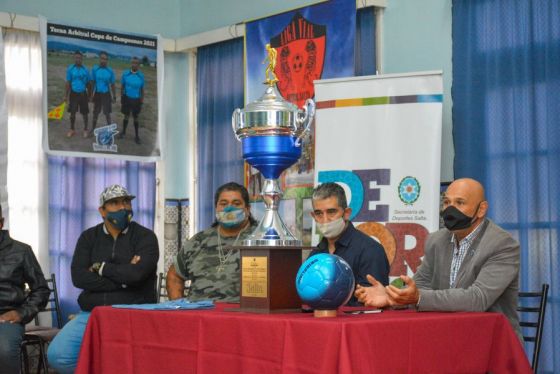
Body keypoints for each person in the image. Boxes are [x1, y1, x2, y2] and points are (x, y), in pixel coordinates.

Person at [355, 178, 522, 338]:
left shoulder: (502, 245)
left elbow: (477, 299)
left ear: (481, 209)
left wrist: (419, 298)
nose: (450, 209)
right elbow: (420, 284)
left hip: (491, 342)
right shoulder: (436, 240)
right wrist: (391, 296)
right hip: (445, 336)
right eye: (447, 202)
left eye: (460, 203)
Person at [48, 184, 159, 373]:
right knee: (59, 356)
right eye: (114, 203)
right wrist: (125, 278)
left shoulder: (146, 237)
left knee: (129, 362)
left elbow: (138, 275)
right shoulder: (88, 237)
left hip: (133, 312)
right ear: (102, 210)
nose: (123, 208)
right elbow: (79, 277)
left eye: (126, 202)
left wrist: (101, 268)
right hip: (94, 312)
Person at [166, 182, 257, 302]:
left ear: (247, 209)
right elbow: (174, 275)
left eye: (236, 203)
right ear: (216, 208)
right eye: (223, 204)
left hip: (241, 316)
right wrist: (178, 307)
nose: (229, 208)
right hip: (199, 316)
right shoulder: (199, 241)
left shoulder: (262, 238)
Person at [309, 182, 390, 306]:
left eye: (331, 212)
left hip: (357, 324)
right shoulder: (315, 255)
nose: (325, 220)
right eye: (319, 214)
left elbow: (372, 306)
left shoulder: (370, 250)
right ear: (313, 216)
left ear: (346, 213)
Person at [0, 203, 50, 374]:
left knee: (4, 350)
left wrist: (21, 313)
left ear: (1, 223)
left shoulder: (21, 251)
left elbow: (41, 290)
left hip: (6, 319)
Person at [65, 50, 91, 138]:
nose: (78, 59)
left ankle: (85, 129)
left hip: (83, 94)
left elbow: (88, 84)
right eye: (76, 58)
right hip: (73, 94)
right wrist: (66, 96)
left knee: (85, 113)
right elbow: (68, 82)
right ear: (74, 58)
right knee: (72, 113)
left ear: (82, 59)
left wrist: (90, 96)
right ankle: (72, 129)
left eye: (80, 58)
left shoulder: (86, 70)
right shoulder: (70, 69)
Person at [90, 51, 116, 135]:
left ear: (107, 60)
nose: (103, 61)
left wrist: (114, 96)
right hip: (97, 94)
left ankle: (110, 131)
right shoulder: (95, 69)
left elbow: (112, 84)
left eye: (105, 59)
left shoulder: (110, 71)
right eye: (102, 58)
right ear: (99, 58)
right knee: (95, 113)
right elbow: (93, 83)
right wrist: (91, 95)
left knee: (107, 113)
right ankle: (92, 129)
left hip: (106, 94)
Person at [120, 57, 145, 144]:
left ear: (138, 65)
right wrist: (122, 97)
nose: (134, 64)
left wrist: (141, 100)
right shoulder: (125, 74)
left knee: (136, 118)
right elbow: (122, 86)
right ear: (131, 63)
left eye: (136, 63)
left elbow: (142, 90)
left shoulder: (141, 76)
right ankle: (123, 132)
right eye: (133, 63)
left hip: (136, 100)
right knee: (126, 116)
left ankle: (137, 136)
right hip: (127, 98)